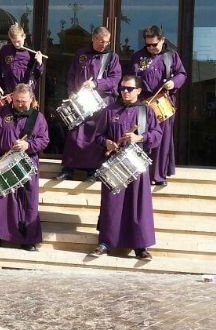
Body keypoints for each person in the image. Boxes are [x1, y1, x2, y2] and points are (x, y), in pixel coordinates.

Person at [88, 75, 162, 260]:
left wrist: (140, 138)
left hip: (137, 163)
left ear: (138, 90)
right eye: (122, 88)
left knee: (138, 205)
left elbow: (157, 134)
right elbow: (97, 136)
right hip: (115, 164)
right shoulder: (110, 110)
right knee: (112, 205)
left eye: (129, 89)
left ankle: (140, 246)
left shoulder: (146, 111)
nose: (125, 92)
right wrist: (106, 143)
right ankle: (105, 243)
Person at [0, 83, 50, 251]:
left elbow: (44, 140)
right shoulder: (2, 113)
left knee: (27, 202)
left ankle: (28, 240)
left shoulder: (38, 118)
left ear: (31, 99)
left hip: (27, 164)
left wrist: (28, 144)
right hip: (3, 161)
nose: (19, 104)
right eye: (17, 100)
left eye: (23, 101)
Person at [56, 26, 122, 183]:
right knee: (74, 133)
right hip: (81, 100)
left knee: (96, 136)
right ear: (93, 38)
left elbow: (115, 79)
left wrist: (96, 84)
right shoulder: (81, 54)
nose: (104, 45)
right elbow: (72, 75)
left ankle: (93, 171)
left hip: (101, 103)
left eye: (107, 42)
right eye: (101, 41)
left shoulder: (112, 57)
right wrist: (72, 92)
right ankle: (68, 169)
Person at [130, 26, 187, 187]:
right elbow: (133, 78)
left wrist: (173, 82)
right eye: (148, 45)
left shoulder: (171, 56)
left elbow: (182, 74)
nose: (151, 48)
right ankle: (142, 175)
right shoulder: (138, 56)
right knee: (143, 139)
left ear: (162, 40)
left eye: (154, 44)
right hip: (144, 105)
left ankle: (159, 175)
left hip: (163, 104)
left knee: (163, 139)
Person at [0, 23, 44, 105]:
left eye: (19, 41)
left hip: (25, 97)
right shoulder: (5, 51)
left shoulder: (31, 53)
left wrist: (40, 62)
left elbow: (37, 75)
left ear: (24, 36)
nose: (16, 44)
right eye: (14, 41)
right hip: (8, 96)